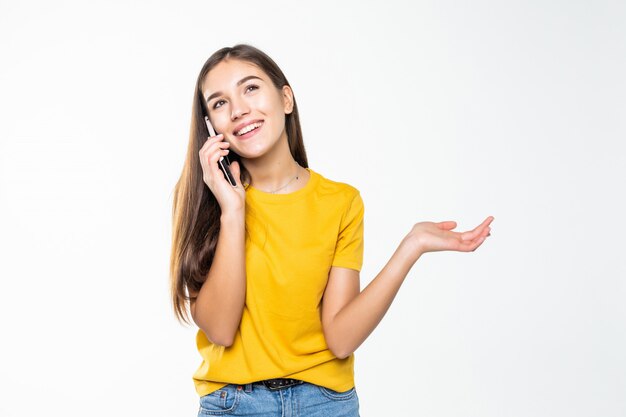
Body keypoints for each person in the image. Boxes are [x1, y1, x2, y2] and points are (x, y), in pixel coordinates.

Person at [170, 43, 494, 417]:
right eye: (219, 103)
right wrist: (232, 209)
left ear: (286, 98)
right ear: (211, 127)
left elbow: (341, 339)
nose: (239, 109)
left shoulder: (341, 202)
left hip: (324, 403)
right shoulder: (206, 200)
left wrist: (411, 247)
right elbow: (222, 331)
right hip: (235, 403)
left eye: (251, 88)